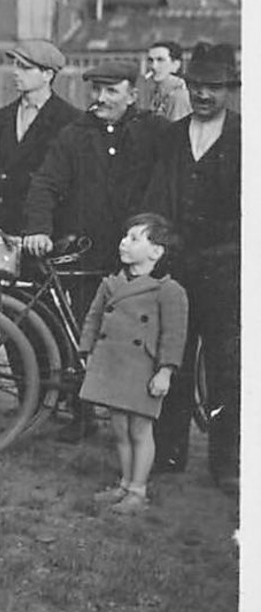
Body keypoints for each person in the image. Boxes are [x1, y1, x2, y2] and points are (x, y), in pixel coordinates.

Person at [23, 59, 166, 443]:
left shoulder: (152, 131)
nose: (100, 98)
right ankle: (81, 414)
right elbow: (45, 183)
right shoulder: (74, 134)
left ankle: (141, 420)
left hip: (137, 256)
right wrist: (39, 228)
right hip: (87, 252)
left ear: (132, 95)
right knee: (82, 331)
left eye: (111, 91)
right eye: (96, 90)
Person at [142, 42, 241, 491]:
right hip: (178, 269)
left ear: (230, 90)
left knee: (226, 366)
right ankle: (169, 452)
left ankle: (227, 462)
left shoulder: (245, 137)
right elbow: (157, 196)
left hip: (227, 271)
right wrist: (159, 243)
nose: (204, 95)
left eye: (214, 87)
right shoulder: (171, 135)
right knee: (173, 359)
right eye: (197, 85)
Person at [76, 213, 188, 514]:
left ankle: (138, 490)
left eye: (135, 238)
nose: (124, 242)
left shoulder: (168, 290)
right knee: (119, 430)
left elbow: (174, 336)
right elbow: (93, 319)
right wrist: (87, 351)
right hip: (112, 365)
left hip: (143, 370)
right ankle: (125, 484)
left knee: (140, 431)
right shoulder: (111, 284)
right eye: (125, 236)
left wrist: (165, 371)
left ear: (156, 251)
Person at [0, 39, 80, 235]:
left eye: (25, 67)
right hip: (0, 230)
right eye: (15, 65)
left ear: (48, 75)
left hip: (45, 234)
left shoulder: (71, 122)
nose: (16, 72)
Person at [137, 40, 192, 122]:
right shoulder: (155, 92)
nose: (154, 66)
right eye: (150, 61)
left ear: (175, 65)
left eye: (160, 60)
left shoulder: (179, 96)